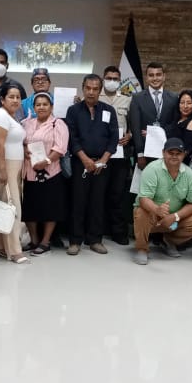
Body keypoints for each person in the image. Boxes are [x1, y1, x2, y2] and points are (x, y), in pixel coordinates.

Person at [66, 75, 119, 255]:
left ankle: (95, 240)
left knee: (98, 202)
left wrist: (103, 160)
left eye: (95, 89)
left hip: (102, 164)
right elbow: (72, 138)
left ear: (100, 90)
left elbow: (114, 138)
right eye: (88, 88)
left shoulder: (109, 110)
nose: (91, 92)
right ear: (83, 88)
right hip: (80, 162)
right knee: (78, 202)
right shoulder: (73, 111)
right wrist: (85, 159)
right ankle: (75, 241)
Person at [132, 138, 192, 265]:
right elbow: (143, 199)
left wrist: (174, 216)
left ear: (184, 155)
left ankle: (168, 241)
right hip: (152, 216)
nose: (174, 156)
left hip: (173, 221)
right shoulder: (152, 169)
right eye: (170, 153)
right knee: (140, 212)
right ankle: (142, 248)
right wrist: (157, 210)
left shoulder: (190, 174)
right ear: (163, 153)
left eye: (178, 153)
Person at [22, 92, 69, 254]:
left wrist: (47, 161)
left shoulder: (58, 124)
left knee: (50, 208)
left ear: (51, 107)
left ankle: (45, 241)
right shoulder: (27, 123)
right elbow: (22, 142)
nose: (41, 107)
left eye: (45, 104)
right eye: (38, 105)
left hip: (51, 173)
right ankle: (34, 240)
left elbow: (60, 148)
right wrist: (24, 150)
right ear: (33, 107)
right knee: (30, 209)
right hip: (29, 172)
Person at [0, 85, 27, 263]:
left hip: (13, 166)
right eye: (11, 97)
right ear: (2, 99)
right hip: (4, 166)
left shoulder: (12, 117)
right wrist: (2, 169)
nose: (15, 100)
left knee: (3, 206)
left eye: (18, 97)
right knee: (13, 207)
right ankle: (14, 251)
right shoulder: (0, 115)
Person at [99, 65, 132, 246]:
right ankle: (98, 229)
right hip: (100, 153)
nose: (111, 81)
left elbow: (132, 124)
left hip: (120, 154)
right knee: (99, 193)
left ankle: (118, 231)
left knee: (118, 193)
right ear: (103, 79)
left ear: (120, 81)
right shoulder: (96, 97)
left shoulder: (127, 99)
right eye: (108, 78)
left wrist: (130, 136)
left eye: (115, 79)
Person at [129, 62, 179, 173]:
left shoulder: (174, 98)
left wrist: (156, 133)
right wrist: (140, 154)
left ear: (164, 76)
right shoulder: (137, 98)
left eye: (158, 75)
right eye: (151, 75)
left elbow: (175, 124)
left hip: (167, 151)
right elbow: (135, 128)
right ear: (146, 78)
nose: (155, 78)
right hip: (145, 153)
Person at [0, 48, 27, 119]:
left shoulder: (16, 86)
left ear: (7, 65)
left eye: (2, 62)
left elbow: (24, 110)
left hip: (10, 125)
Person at [166, 89, 192, 163]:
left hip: (179, 162)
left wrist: (174, 160)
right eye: (182, 102)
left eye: (189, 103)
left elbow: (187, 149)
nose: (185, 106)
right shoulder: (176, 119)